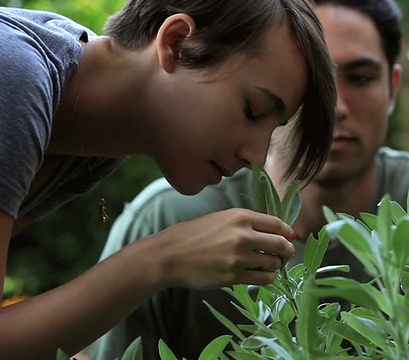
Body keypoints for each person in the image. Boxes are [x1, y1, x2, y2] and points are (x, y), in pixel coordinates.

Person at [89, 1, 409, 359]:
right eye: (316, 89)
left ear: (392, 89)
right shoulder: (167, 218)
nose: (335, 109)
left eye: (359, 78)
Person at [0, 0, 336, 358]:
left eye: (273, 129)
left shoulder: (98, 138)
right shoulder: (17, 76)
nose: (255, 155)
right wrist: (160, 258)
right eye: (253, 110)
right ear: (177, 43)